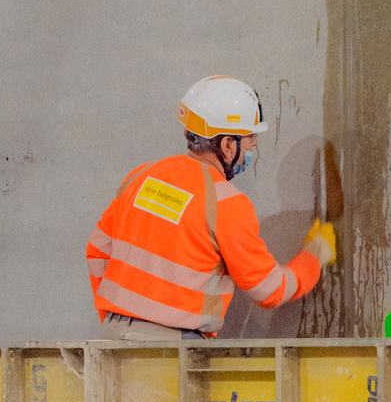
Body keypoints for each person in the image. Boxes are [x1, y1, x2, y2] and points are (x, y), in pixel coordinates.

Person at [87, 76, 336, 340]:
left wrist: (118, 319)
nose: (254, 145)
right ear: (228, 144)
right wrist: (314, 256)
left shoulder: (140, 176)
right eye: (250, 137)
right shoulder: (227, 203)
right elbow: (269, 289)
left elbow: (97, 251)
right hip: (172, 350)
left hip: (111, 340)